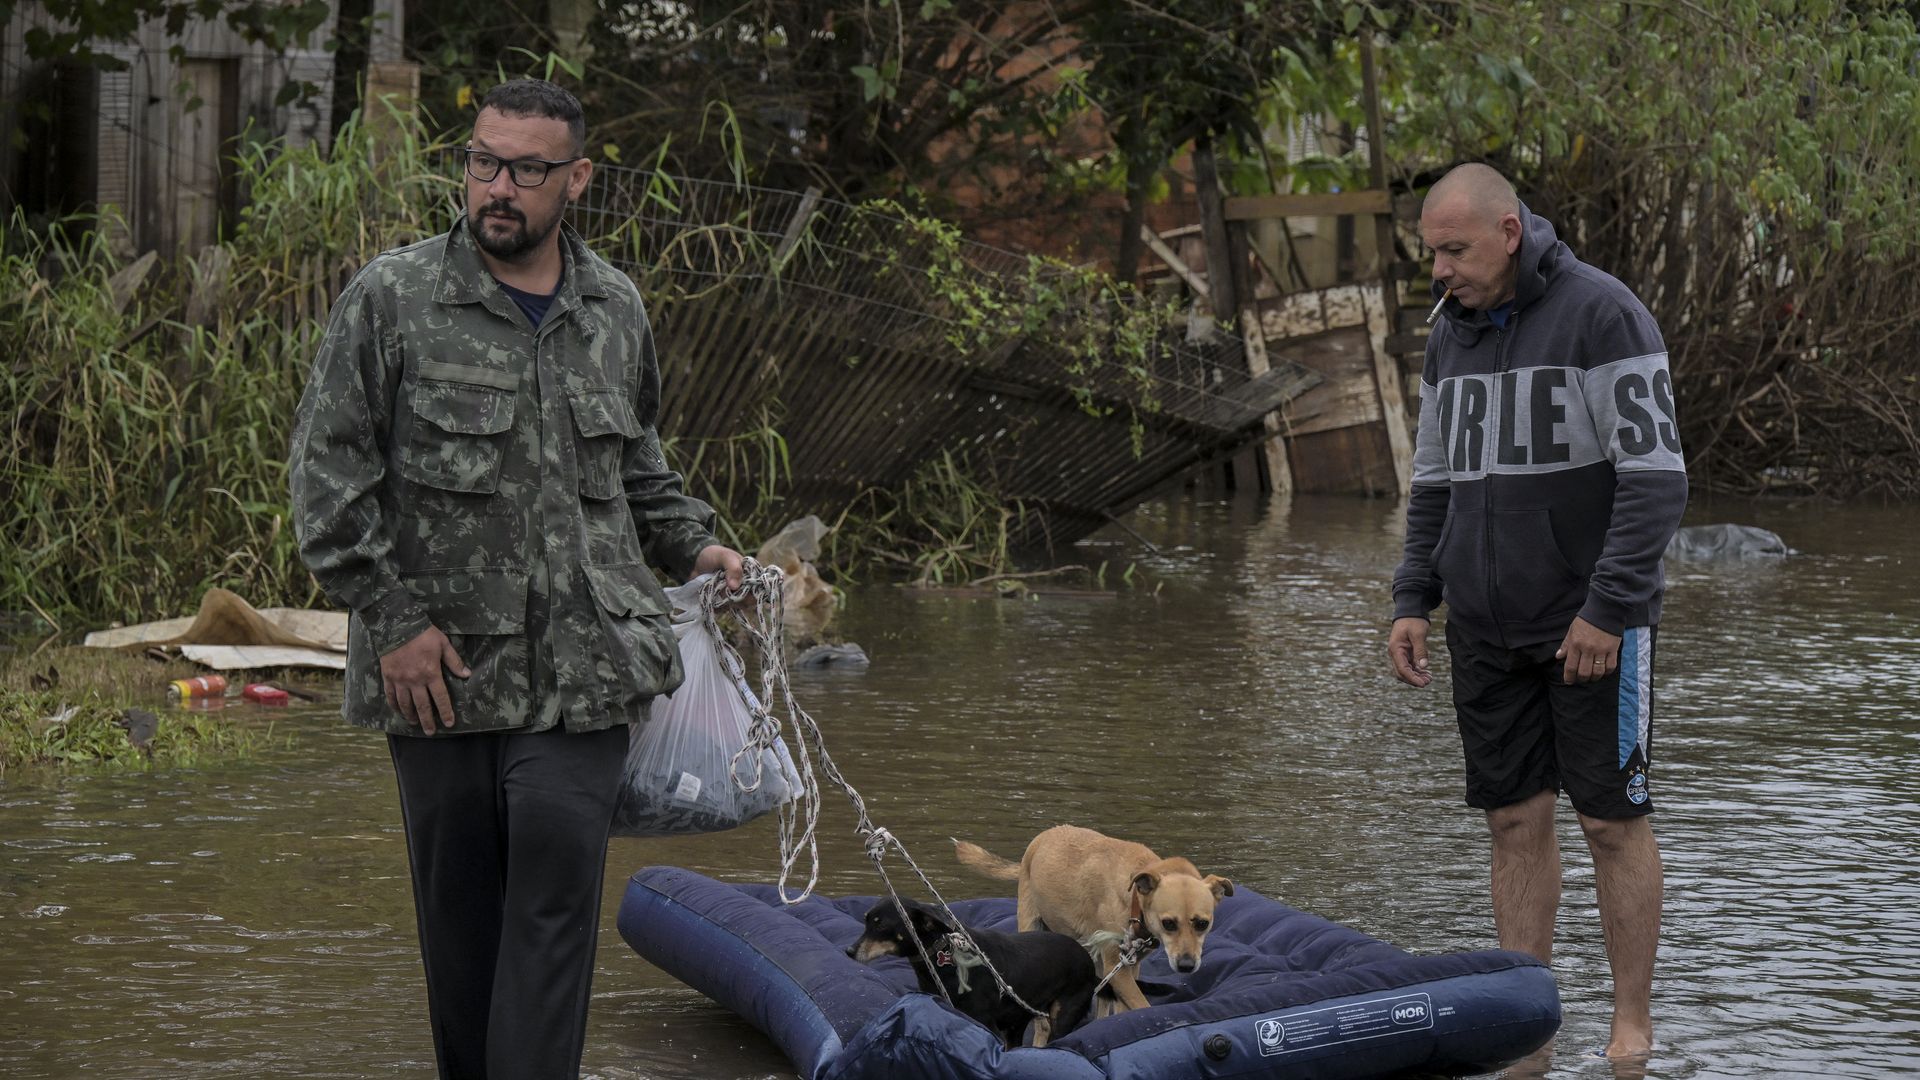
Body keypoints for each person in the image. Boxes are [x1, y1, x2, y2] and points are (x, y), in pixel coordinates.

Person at [289, 79, 743, 1079]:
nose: (499, 187)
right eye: (484, 162)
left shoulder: (614, 308)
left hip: (587, 673)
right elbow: (327, 488)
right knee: (460, 930)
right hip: (438, 670)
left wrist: (700, 548)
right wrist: (394, 620)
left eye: (528, 170)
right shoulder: (394, 299)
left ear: (576, 178)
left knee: (552, 879)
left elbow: (638, 472)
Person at [1387, 163, 1686, 1059]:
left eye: (1454, 249)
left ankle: (1629, 1026)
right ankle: (1530, 1028)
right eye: (1431, 252)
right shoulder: (1449, 335)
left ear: (1509, 233)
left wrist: (1608, 608)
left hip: (1593, 625)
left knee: (1609, 820)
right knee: (1514, 821)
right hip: (1484, 625)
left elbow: (1656, 480)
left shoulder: (1604, 315)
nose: (1439, 270)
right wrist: (1413, 597)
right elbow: (1433, 481)